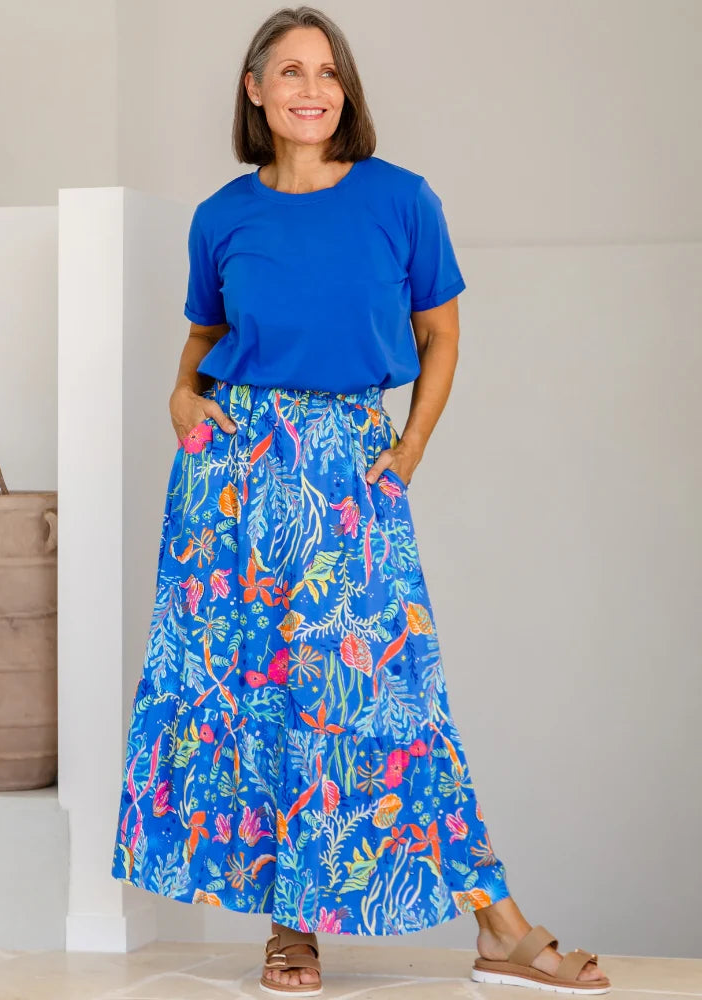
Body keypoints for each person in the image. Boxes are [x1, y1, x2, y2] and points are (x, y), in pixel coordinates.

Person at [112, 6, 611, 997]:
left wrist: (409, 447)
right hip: (233, 479)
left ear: (346, 91)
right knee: (261, 696)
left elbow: (442, 335)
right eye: (291, 71)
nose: (313, 89)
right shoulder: (222, 216)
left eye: (328, 72)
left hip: (348, 466)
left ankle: (498, 923)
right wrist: (179, 396)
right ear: (255, 90)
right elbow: (203, 340)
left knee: (388, 695)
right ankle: (291, 931)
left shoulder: (400, 199)